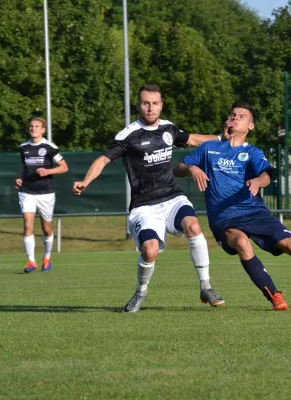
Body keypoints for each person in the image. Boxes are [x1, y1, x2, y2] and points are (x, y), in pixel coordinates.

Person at [174, 102, 291, 311]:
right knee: (240, 241)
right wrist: (193, 168)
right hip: (223, 217)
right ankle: (275, 297)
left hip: (254, 211)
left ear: (250, 126)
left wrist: (257, 181)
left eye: (241, 116)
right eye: (232, 115)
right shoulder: (209, 148)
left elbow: (266, 174)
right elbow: (178, 169)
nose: (234, 118)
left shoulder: (252, 153)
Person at [72, 84, 226, 313]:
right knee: (150, 251)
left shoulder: (169, 128)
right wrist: (86, 181)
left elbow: (193, 139)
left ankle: (205, 286)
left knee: (193, 226)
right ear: (139, 105)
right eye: (146, 103)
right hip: (143, 206)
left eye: (155, 103)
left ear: (161, 105)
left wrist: (222, 138)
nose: (150, 108)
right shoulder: (128, 135)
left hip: (172, 197)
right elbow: (103, 160)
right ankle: (141, 291)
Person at [15, 117, 69, 273]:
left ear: (43, 130)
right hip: (27, 192)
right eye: (31, 126)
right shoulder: (23, 147)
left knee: (46, 229)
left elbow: (64, 167)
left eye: (37, 126)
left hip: (46, 193)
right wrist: (19, 179)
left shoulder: (49, 147)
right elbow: (24, 168)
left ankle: (47, 257)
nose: (33, 129)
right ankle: (31, 261)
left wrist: (48, 171)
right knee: (27, 224)